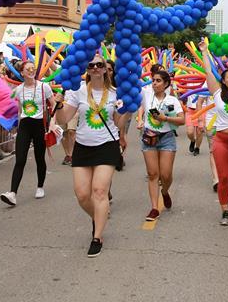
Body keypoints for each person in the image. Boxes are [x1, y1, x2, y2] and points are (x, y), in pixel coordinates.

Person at [55, 54, 125, 257]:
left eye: (99, 65)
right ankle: (99, 215)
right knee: (82, 195)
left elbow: (119, 124)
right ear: (87, 69)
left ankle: (97, 237)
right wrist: (58, 105)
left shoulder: (115, 93)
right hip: (83, 147)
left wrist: (127, 111)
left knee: (99, 191)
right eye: (91, 65)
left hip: (107, 145)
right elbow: (63, 119)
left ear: (105, 69)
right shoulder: (77, 92)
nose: (95, 67)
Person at [199, 40, 228, 226]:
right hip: (222, 142)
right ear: (223, 81)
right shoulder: (217, 93)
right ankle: (224, 210)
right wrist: (204, 51)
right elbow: (209, 71)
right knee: (224, 177)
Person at [0, 61, 56, 206]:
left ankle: (40, 186)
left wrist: (52, 122)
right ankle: (12, 193)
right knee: (20, 159)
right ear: (22, 73)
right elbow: (19, 110)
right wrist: (17, 128)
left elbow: (54, 104)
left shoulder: (44, 87)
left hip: (39, 125)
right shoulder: (19, 90)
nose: (31, 71)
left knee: (39, 158)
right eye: (28, 69)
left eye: (33, 68)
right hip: (25, 126)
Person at [136, 69, 184, 221]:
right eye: (153, 80)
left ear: (166, 84)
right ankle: (154, 208)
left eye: (158, 81)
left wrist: (166, 119)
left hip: (166, 138)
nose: (154, 83)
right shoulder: (146, 94)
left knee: (166, 175)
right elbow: (133, 79)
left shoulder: (172, 101)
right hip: (149, 137)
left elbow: (182, 120)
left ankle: (164, 191)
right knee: (152, 174)